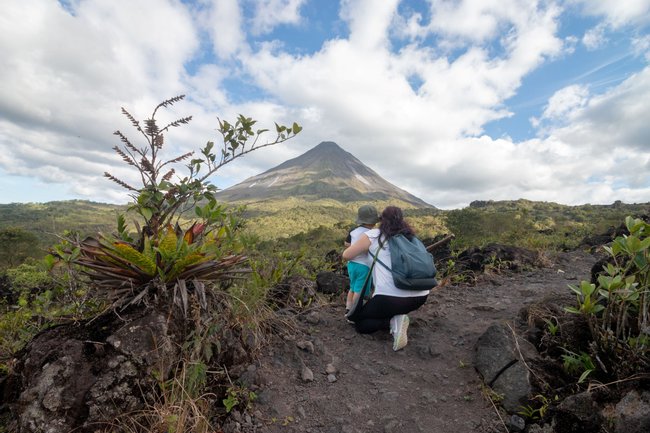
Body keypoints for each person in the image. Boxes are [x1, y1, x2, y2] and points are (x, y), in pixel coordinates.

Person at [342, 206, 430, 351]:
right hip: (421, 297)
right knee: (389, 306)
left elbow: (347, 255)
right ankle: (396, 317)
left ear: (381, 220)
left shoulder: (374, 234)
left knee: (360, 323)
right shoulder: (411, 237)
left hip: (389, 298)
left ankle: (392, 321)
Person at [344, 204, 380, 316]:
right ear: (374, 221)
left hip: (351, 264)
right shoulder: (372, 234)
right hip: (363, 266)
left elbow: (347, 244)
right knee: (359, 291)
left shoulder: (353, 231)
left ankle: (348, 308)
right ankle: (354, 312)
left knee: (352, 288)